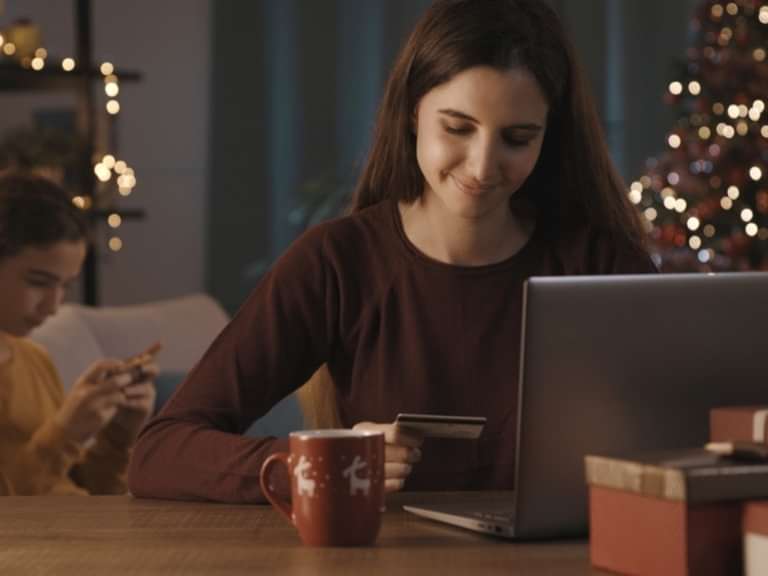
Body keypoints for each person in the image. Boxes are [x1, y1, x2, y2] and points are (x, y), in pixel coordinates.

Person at [128, 0, 656, 503]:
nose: (481, 166)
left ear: (549, 139)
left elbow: (680, 441)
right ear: (410, 114)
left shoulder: (600, 263)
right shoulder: (337, 262)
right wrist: (323, 464)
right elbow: (160, 452)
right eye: (457, 128)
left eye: (517, 138)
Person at [0, 173, 158, 495]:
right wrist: (66, 433)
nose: (54, 306)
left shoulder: (33, 359)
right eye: (39, 282)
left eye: (65, 286)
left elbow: (82, 494)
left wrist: (118, 435)